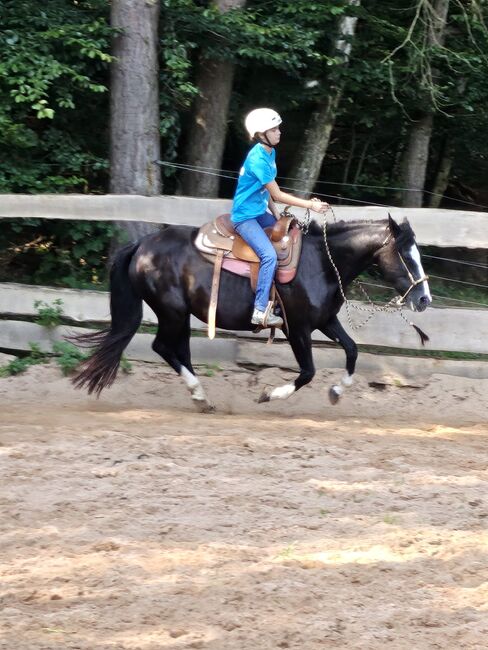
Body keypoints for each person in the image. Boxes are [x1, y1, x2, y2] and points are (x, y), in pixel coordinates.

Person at [231, 107, 329, 328]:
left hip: (259, 213)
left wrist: (277, 216)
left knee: (292, 237)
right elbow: (276, 193)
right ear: (261, 134)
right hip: (245, 218)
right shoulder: (257, 159)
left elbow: (265, 192)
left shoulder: (269, 153)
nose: (279, 132)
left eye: (277, 128)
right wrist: (310, 205)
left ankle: (283, 298)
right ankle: (259, 310)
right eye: (274, 129)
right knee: (269, 256)